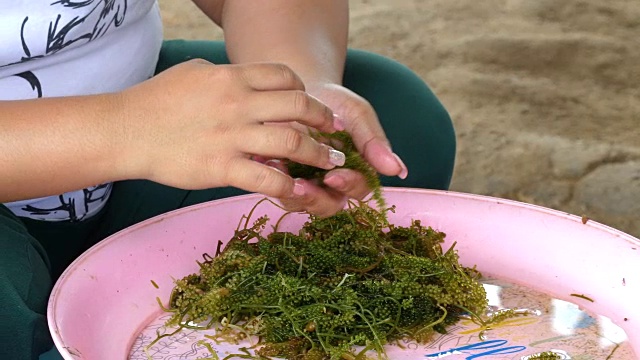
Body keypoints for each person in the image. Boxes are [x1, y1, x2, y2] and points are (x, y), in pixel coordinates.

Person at [0, 1, 455, 359]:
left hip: (142, 117)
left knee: (402, 118)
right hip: (88, 140)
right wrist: (124, 130)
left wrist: (297, 90)